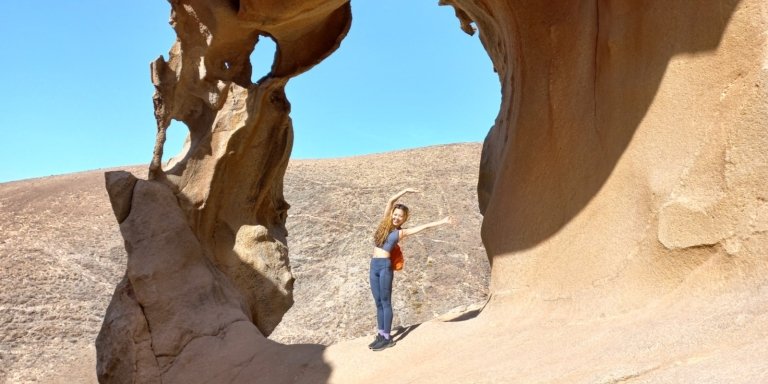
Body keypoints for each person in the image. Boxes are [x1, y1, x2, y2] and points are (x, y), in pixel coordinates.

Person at [368, 188, 454, 351]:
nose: (397, 217)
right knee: (378, 302)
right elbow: (390, 201)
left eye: (400, 216)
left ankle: (387, 337)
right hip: (373, 266)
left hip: (385, 267)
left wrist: (442, 221)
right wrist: (405, 190)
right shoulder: (384, 222)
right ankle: (380, 334)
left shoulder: (401, 232)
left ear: (404, 219)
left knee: (385, 302)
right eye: (396, 214)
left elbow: (424, 227)